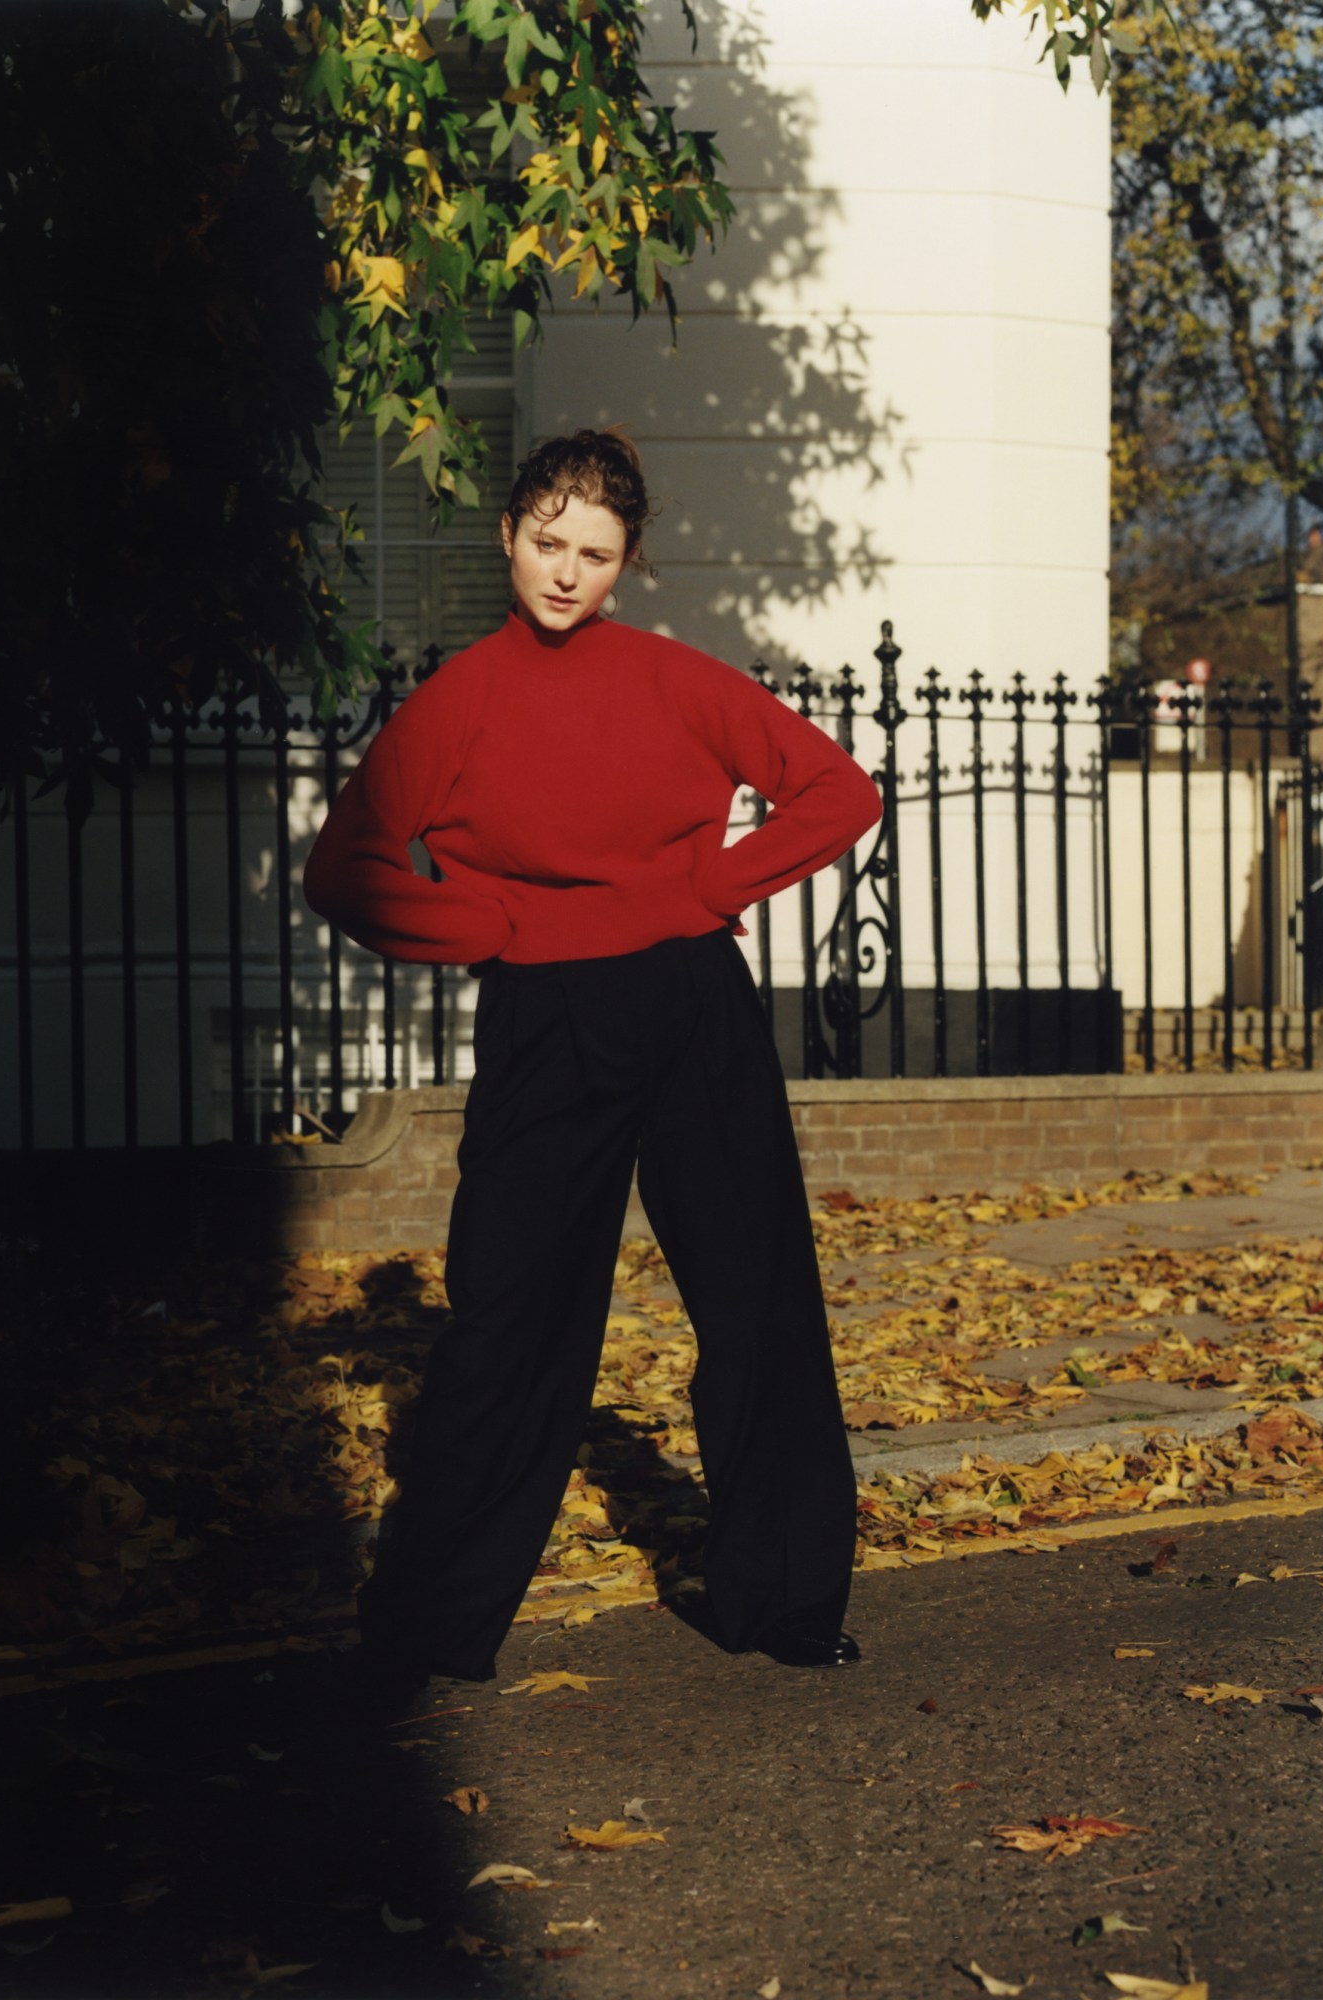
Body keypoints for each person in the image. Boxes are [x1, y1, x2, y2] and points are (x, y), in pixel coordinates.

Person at [302, 428, 883, 1701]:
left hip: (692, 1005)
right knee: (512, 1318)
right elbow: (342, 866)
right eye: (550, 542)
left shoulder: (677, 680)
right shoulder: (459, 698)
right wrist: (494, 928)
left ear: (627, 563)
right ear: (510, 534)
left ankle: (782, 1600)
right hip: (546, 1019)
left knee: (759, 1298)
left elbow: (840, 790)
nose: (568, 572)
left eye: (597, 552)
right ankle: (434, 1620)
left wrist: (705, 886)